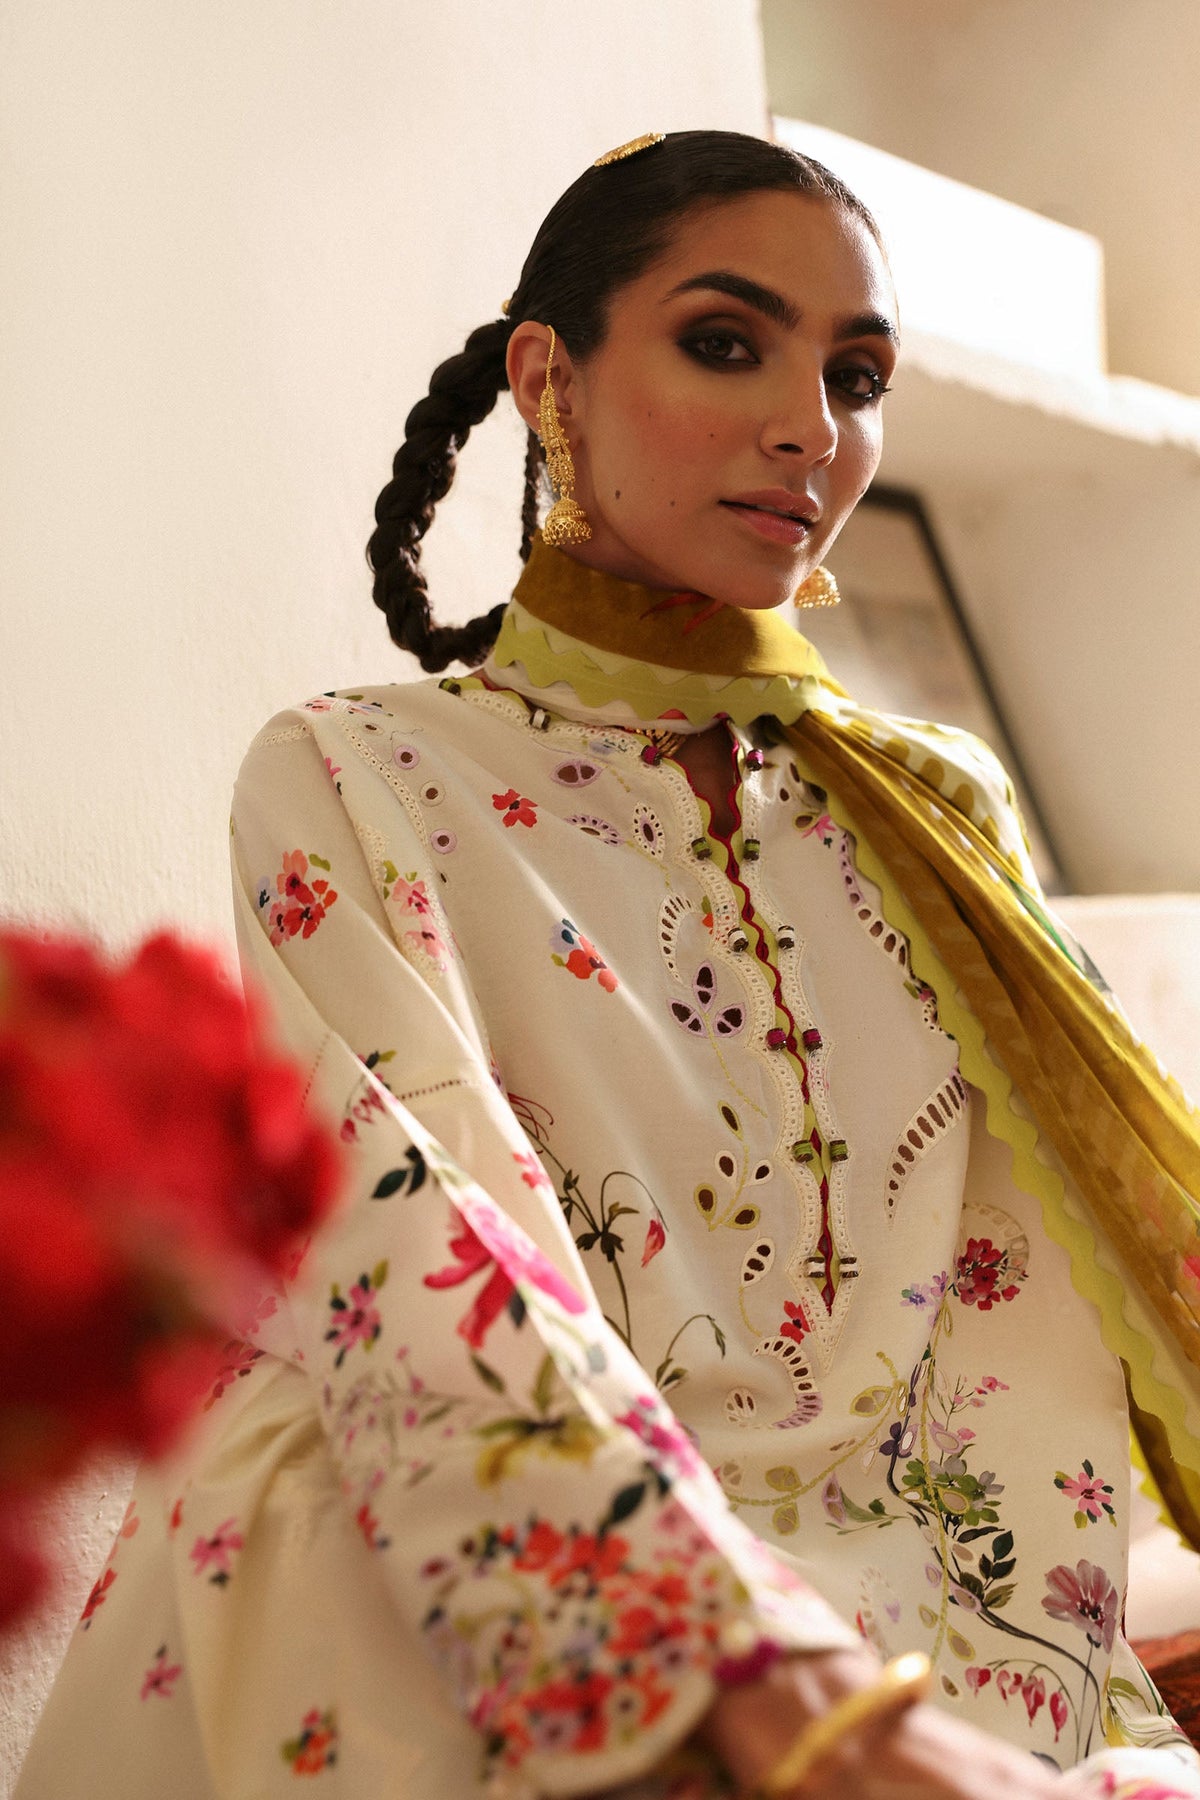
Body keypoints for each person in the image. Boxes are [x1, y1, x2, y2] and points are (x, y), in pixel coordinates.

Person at [16, 129, 1200, 1800]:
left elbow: (1021, 1316)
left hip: (944, 1637)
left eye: (858, 377)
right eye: (727, 343)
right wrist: (778, 1699)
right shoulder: (359, 777)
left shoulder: (942, 803)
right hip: (508, 1607)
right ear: (547, 381)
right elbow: (424, 1256)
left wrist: (978, 1701)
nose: (814, 428)